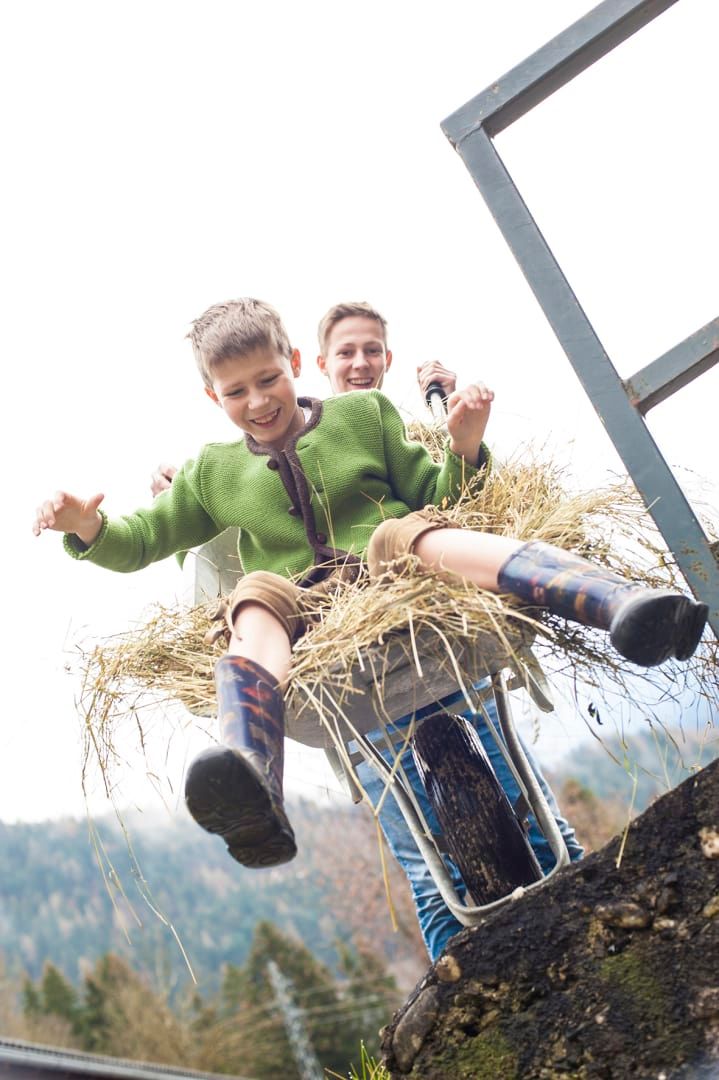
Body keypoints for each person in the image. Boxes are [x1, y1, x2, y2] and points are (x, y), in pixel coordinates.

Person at [33, 298, 708, 950]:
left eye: (268, 379)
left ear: (296, 362)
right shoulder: (212, 472)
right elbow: (143, 539)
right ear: (214, 397)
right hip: (307, 610)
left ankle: (611, 603)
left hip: (390, 572)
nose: (258, 401)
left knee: (409, 532)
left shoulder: (362, 415)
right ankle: (252, 774)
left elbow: (438, 494)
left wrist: (464, 446)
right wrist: (87, 527)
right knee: (253, 597)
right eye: (236, 392)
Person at [147, 299, 584, 959]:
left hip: (433, 635)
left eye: (371, 350)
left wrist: (458, 430)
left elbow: (454, 498)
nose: (359, 363)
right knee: (423, 857)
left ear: (384, 360)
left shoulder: (381, 425)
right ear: (321, 363)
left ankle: (585, 906)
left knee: (526, 802)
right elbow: (205, 560)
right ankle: (457, 986)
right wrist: (174, 506)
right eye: (346, 352)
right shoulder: (243, 464)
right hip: (344, 676)